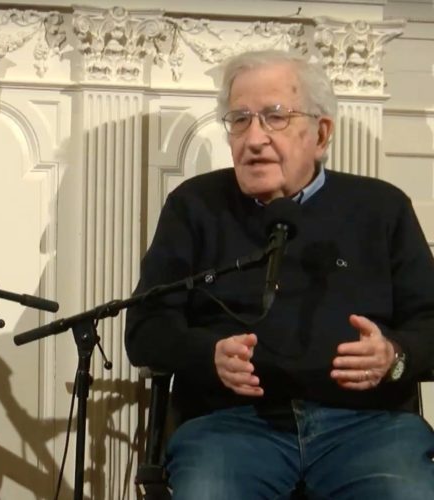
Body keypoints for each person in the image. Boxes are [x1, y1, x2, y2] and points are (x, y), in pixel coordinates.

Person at [125, 49, 434, 499]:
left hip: (369, 428)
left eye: (275, 117)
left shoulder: (381, 208)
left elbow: (430, 321)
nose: (254, 139)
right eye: (240, 120)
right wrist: (208, 355)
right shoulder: (194, 206)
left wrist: (394, 355)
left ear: (320, 133)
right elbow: (145, 329)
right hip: (229, 428)